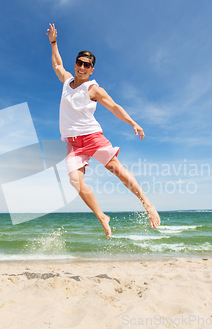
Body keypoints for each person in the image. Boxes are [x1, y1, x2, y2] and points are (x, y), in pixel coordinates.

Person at [47, 23, 161, 238]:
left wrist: (133, 123)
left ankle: (147, 203)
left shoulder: (93, 89)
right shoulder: (66, 81)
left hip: (91, 136)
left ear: (92, 69)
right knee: (75, 181)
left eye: (87, 65)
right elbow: (57, 64)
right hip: (73, 143)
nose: (82, 67)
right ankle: (102, 216)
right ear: (76, 64)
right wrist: (53, 43)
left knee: (115, 168)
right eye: (80, 63)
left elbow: (114, 107)